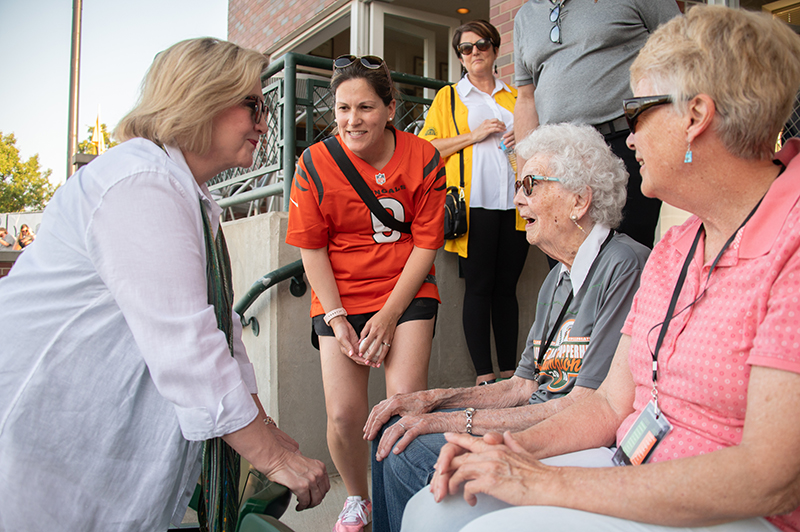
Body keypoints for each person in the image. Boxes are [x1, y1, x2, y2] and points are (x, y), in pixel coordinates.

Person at [403, 7, 800, 532]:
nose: (627, 138)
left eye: (635, 112)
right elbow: (612, 402)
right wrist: (504, 449)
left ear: (695, 116)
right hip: (636, 461)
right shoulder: (676, 246)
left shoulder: (789, 240)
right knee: (432, 509)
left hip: (742, 507)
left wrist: (540, 481)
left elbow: (771, 475)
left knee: (483, 527)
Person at [0, 38, 329, 532]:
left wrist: (270, 436)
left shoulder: (185, 193)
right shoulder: (139, 182)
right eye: (254, 104)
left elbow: (223, 334)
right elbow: (187, 348)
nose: (265, 121)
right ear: (202, 97)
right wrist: (273, 459)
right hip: (46, 439)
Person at [364, 123, 651, 532]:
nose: (517, 199)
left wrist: (450, 420)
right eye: (518, 185)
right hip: (531, 420)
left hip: (564, 439)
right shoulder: (558, 278)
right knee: (395, 425)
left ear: (578, 200)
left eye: (530, 185)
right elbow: (521, 386)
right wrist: (432, 400)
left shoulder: (624, 267)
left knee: (404, 448)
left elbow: (584, 405)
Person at [285, 54, 445, 532]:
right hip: (339, 296)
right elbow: (311, 248)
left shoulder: (423, 157)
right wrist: (337, 318)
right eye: (342, 108)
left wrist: (391, 314)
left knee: (403, 403)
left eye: (366, 108)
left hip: (406, 287)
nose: (352, 120)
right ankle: (358, 497)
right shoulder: (314, 162)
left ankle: (405, 506)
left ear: (390, 108)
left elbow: (427, 243)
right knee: (343, 415)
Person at [514, 0, 680, 248]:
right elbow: (526, 98)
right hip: (554, 159)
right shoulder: (524, 16)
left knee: (629, 254)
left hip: (624, 144)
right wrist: (524, 175)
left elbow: (683, 51)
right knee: (563, 255)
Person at [419, 20, 528, 387]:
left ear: (495, 49)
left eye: (482, 44)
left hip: (515, 205)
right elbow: (427, 148)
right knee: (479, 287)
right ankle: (484, 376)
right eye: (466, 48)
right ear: (460, 58)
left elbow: (540, 143)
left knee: (507, 288)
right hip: (473, 205)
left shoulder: (515, 96)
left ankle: (511, 373)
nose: (475, 52)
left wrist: (524, 136)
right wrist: (474, 135)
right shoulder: (449, 98)